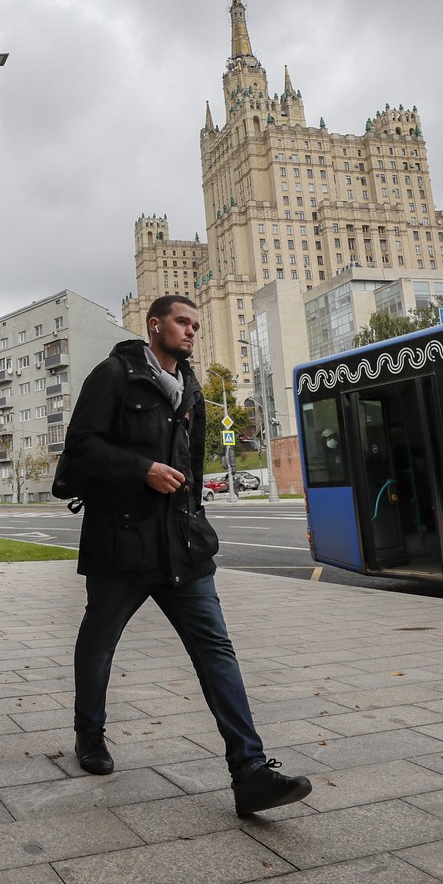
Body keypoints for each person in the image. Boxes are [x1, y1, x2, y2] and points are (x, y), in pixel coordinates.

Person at [61, 294, 312, 815]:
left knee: (216, 650)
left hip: (183, 547)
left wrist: (195, 520)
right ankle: (90, 736)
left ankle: (250, 771)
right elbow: (81, 446)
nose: (191, 331)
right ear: (155, 326)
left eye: (197, 324)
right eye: (182, 322)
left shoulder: (192, 387)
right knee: (99, 643)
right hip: (122, 544)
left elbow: (191, 472)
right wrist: (141, 470)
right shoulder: (112, 375)